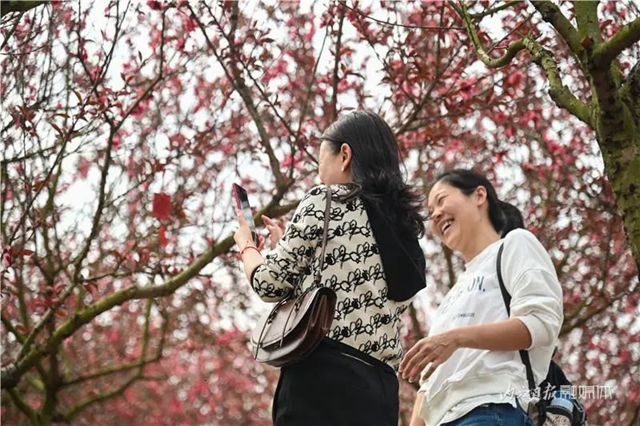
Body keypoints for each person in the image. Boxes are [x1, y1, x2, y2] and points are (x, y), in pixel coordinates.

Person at [234, 110, 427, 426]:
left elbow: (268, 283)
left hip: (322, 380)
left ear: (345, 155)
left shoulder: (326, 200)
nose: (319, 174)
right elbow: (355, 286)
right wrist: (293, 247)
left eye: (320, 161)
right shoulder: (403, 227)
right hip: (379, 390)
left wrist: (247, 246)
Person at [400, 169, 563, 426]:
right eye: (431, 212)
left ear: (478, 195)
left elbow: (540, 324)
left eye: (441, 200)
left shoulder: (514, 245)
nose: (436, 214)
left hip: (490, 409)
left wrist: (456, 339)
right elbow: (430, 383)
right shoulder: (452, 296)